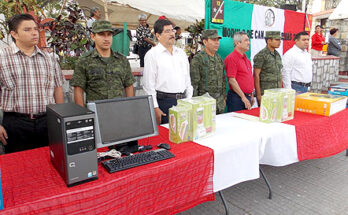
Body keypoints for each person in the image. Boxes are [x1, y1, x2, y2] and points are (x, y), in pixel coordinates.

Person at [0, 14, 65, 153]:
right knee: (18, 167)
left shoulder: (50, 59)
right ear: (14, 34)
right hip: (16, 123)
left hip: (47, 121)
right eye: (27, 29)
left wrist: (61, 119)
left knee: (49, 162)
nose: (34, 32)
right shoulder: (2, 58)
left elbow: (58, 89)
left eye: (35, 28)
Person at [70, 20, 135, 106]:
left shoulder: (122, 60)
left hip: (118, 111)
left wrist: (130, 109)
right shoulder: (84, 61)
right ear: (93, 36)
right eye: (101, 34)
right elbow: (78, 89)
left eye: (109, 34)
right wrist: (83, 115)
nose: (106, 39)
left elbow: (129, 85)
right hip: (95, 112)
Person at [143, 19, 193, 124]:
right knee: (167, 136)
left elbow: (187, 79)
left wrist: (189, 99)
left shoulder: (181, 53)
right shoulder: (152, 55)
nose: (172, 34)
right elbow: (148, 85)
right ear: (158, 35)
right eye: (167, 31)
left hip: (184, 101)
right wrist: (155, 107)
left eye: (172, 31)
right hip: (164, 103)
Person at [190, 29, 226, 114]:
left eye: (218, 40)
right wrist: (195, 104)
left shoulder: (219, 59)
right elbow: (194, 84)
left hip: (219, 104)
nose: (217, 42)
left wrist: (224, 98)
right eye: (213, 40)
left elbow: (223, 80)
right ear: (205, 42)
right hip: (204, 104)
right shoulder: (198, 59)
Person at [224, 31, 254, 112]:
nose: (249, 43)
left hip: (247, 97)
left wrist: (251, 95)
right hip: (237, 98)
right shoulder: (231, 58)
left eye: (248, 40)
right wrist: (243, 97)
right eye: (246, 40)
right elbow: (232, 80)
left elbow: (248, 78)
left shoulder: (246, 59)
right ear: (237, 43)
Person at [253, 31, 282, 106]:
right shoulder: (261, 55)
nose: (279, 42)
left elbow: (279, 73)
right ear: (269, 41)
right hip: (266, 93)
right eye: (277, 40)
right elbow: (256, 75)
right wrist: (259, 95)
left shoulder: (277, 54)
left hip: (277, 92)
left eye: (280, 40)